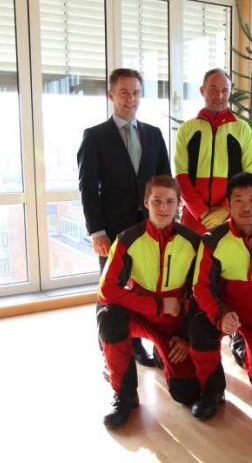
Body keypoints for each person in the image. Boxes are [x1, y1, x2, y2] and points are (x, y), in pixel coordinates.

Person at [78, 68, 171, 367]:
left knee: (142, 288)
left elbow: (165, 182)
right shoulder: (94, 137)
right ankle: (110, 354)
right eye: (124, 92)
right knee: (110, 291)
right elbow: (88, 189)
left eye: (136, 92)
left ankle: (138, 345)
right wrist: (97, 232)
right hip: (113, 232)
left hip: (149, 229)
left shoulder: (154, 134)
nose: (130, 98)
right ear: (111, 95)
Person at [97, 176, 201, 429]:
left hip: (174, 324)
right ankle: (124, 396)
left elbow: (203, 294)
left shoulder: (194, 242)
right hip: (141, 316)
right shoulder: (127, 239)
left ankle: (162, 352)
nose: (163, 208)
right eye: (157, 201)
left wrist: (187, 336)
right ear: (146, 202)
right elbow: (106, 291)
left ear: (179, 205)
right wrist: (157, 305)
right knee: (109, 317)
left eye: (169, 202)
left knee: (187, 394)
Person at [187, 172, 252, 420]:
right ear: (229, 205)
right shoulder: (214, 239)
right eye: (238, 201)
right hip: (225, 312)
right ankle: (212, 392)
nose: (246, 208)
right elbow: (200, 286)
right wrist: (220, 314)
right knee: (199, 328)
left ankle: (241, 347)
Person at [174, 68, 252, 235]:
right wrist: (202, 214)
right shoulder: (186, 130)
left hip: (232, 217)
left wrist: (225, 210)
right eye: (213, 90)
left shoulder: (243, 129)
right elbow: (180, 177)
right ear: (202, 91)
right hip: (193, 218)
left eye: (224, 90)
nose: (219, 96)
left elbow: (251, 177)